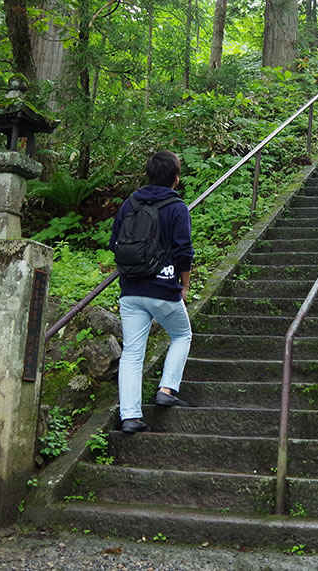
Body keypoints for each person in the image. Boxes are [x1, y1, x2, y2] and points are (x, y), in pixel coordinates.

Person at [109, 150, 195, 433]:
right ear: (176, 178)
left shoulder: (129, 203)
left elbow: (114, 243)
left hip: (131, 289)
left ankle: (130, 416)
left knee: (132, 352)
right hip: (162, 287)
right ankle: (167, 390)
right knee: (182, 334)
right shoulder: (176, 207)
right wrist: (184, 286)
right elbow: (184, 252)